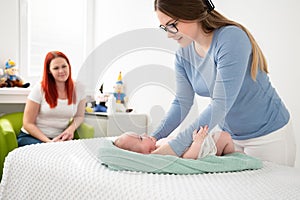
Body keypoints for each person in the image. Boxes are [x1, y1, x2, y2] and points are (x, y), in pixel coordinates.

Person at [150, 0, 296, 166]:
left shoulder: (231, 38)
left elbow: (221, 103)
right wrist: (152, 138)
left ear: (192, 14)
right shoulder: (183, 55)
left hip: (268, 136)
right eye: (164, 27)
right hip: (229, 137)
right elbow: (181, 102)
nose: (169, 34)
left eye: (172, 25)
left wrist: (175, 147)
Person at [17, 51, 86, 147]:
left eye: (64, 66)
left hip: (59, 139)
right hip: (31, 137)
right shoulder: (39, 89)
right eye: (56, 68)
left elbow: (79, 116)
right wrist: (49, 142)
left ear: (69, 66)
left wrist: (70, 130)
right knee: (48, 155)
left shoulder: (79, 88)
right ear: (49, 71)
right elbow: (28, 123)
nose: (61, 71)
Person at [114, 126, 235, 159]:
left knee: (223, 136)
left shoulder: (158, 143)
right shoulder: (160, 152)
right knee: (225, 137)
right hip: (204, 150)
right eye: (140, 138)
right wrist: (197, 142)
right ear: (146, 152)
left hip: (201, 142)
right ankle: (232, 158)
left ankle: (231, 155)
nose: (145, 135)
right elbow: (187, 157)